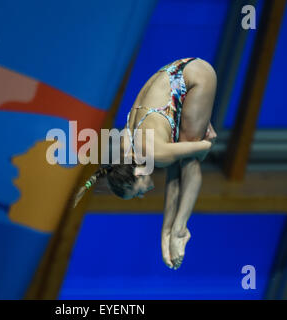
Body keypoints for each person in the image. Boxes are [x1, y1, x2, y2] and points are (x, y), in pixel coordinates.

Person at [74, 57, 217, 270]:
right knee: (177, 159)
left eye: (137, 192)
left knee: (190, 160)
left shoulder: (154, 153)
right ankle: (169, 232)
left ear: (139, 174)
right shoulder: (125, 148)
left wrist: (205, 142)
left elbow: (204, 146)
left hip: (197, 76)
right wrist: (163, 233)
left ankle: (179, 229)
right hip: (171, 71)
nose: (142, 195)